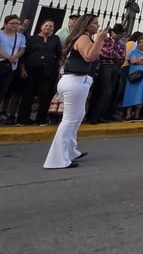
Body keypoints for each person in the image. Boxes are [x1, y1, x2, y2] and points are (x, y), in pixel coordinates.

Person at [43, 14, 106, 169]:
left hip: (75, 81)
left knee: (77, 116)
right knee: (70, 120)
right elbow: (89, 56)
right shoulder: (83, 38)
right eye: (95, 23)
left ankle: (70, 151)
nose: (98, 26)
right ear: (86, 24)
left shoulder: (82, 38)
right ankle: (57, 159)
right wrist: (100, 39)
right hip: (75, 81)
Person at [16, 19, 62, 126]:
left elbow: (59, 54)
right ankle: (22, 119)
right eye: (46, 25)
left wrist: (59, 66)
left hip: (48, 70)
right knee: (28, 94)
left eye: (51, 26)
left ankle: (41, 119)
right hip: (32, 69)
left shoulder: (55, 39)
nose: (48, 28)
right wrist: (22, 69)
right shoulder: (32, 39)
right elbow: (25, 55)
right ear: (41, 27)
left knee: (45, 94)